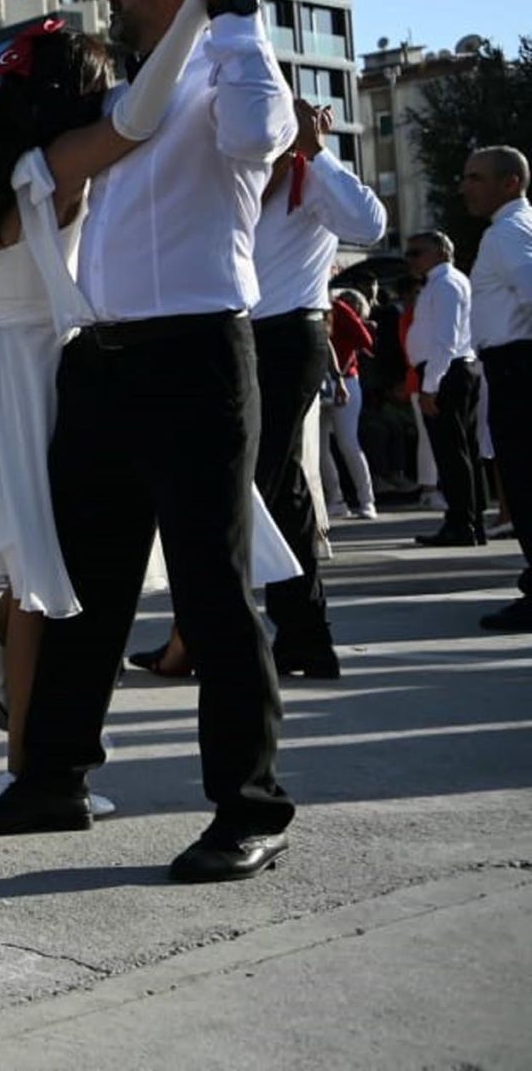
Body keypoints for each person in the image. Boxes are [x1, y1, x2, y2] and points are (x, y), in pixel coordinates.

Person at [0, 0, 302, 884]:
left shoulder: (227, 77)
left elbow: (263, 134)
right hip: (99, 361)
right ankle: (53, 775)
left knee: (211, 587)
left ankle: (250, 804)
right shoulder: (122, 98)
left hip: (194, 352)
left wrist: (235, 10)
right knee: (82, 587)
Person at [128, 98, 384, 682]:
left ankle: (197, 637)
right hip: (240, 337)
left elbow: (369, 225)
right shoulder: (238, 175)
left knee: (239, 490)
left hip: (288, 336)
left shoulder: (311, 176)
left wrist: (316, 154)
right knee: (281, 491)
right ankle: (303, 635)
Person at [460, 146, 532, 631]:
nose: (466, 186)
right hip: (512, 364)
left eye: (476, 177)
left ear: (510, 183)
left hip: (518, 366)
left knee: (525, 481)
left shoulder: (507, 233)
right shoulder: (513, 229)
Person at [406, 231, 482, 549]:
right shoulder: (441, 283)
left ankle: (461, 523)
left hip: (446, 371)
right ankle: (468, 520)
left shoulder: (446, 284)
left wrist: (430, 386)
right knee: (461, 451)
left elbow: (444, 340)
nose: (411, 259)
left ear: (439, 252)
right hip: (450, 370)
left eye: (416, 253)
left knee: (452, 452)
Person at [321, 287, 379, 521]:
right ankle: (335, 499)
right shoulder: (321, 307)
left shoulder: (338, 308)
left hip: (345, 379)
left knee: (347, 442)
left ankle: (367, 500)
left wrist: (344, 359)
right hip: (325, 382)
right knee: (320, 446)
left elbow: (364, 339)